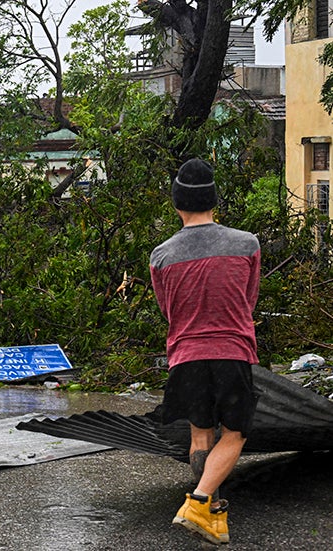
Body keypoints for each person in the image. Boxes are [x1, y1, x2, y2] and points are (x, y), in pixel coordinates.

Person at [149, 158, 260, 546]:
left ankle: (210, 516)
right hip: (231, 350)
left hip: (186, 355)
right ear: (214, 201)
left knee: (201, 436)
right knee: (235, 433)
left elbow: (168, 310)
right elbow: (249, 301)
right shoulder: (246, 244)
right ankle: (198, 502)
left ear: (177, 204)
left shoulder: (161, 256)